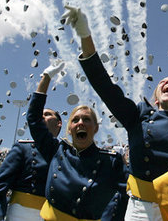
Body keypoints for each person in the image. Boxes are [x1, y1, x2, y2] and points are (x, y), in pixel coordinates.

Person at [61, 5, 168, 220]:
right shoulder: (139, 117)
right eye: (163, 82)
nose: (167, 81)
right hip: (141, 212)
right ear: (155, 99)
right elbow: (105, 87)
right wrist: (85, 35)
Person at [27, 62, 128, 220]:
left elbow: (126, 197)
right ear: (69, 129)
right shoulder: (57, 151)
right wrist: (46, 78)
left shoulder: (111, 161)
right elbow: (33, 119)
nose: (80, 123)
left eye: (87, 119)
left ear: (95, 128)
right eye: (75, 120)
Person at [0, 63, 64, 221]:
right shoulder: (23, 149)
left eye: (47, 114)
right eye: (40, 113)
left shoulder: (68, 153)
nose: (41, 116)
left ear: (59, 123)